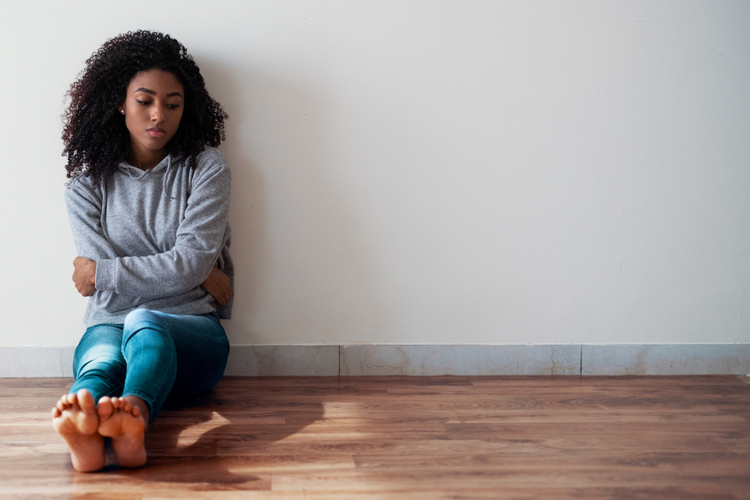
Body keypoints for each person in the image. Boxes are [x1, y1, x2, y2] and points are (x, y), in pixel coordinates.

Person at [52, 30, 234, 472]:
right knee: (100, 363)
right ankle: (89, 421)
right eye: (145, 100)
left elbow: (102, 277)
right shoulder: (84, 186)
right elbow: (185, 266)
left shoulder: (206, 168)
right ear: (119, 102)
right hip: (109, 325)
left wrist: (188, 266)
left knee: (143, 320)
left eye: (173, 104)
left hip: (192, 332)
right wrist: (187, 268)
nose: (159, 115)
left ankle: (131, 416)